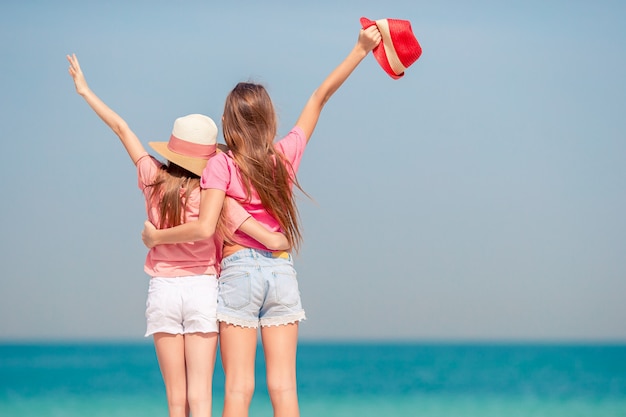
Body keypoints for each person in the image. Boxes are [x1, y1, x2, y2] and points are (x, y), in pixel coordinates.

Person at [142, 25, 382, 417]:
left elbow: (209, 218)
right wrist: (359, 49)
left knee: (239, 388)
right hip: (282, 274)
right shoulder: (284, 156)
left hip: (238, 273)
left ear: (227, 122)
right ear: (269, 118)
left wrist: (157, 236)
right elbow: (319, 97)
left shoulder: (220, 164)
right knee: (284, 386)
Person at [66, 53, 289, 417]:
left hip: (164, 291)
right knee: (201, 398)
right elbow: (251, 224)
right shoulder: (212, 192)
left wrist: (86, 91)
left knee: (176, 400)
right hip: (203, 288)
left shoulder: (152, 178)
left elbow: (122, 129)